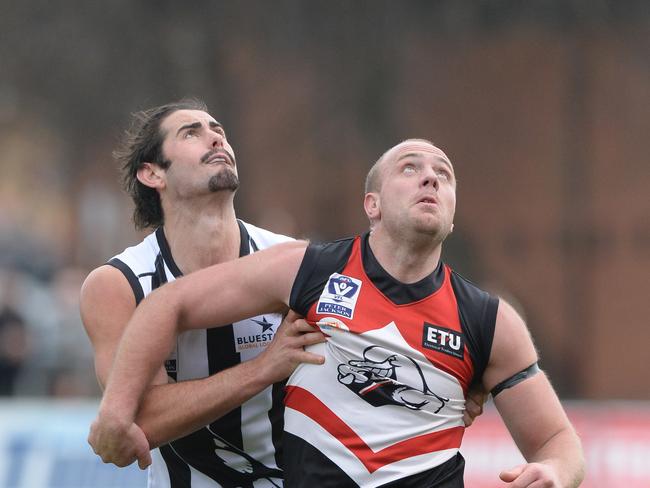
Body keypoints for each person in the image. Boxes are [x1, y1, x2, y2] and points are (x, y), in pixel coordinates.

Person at [82, 99, 328, 487]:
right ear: (152, 173)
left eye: (218, 131)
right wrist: (263, 369)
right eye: (191, 133)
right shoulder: (116, 284)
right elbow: (141, 419)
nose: (215, 138)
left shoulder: (290, 259)